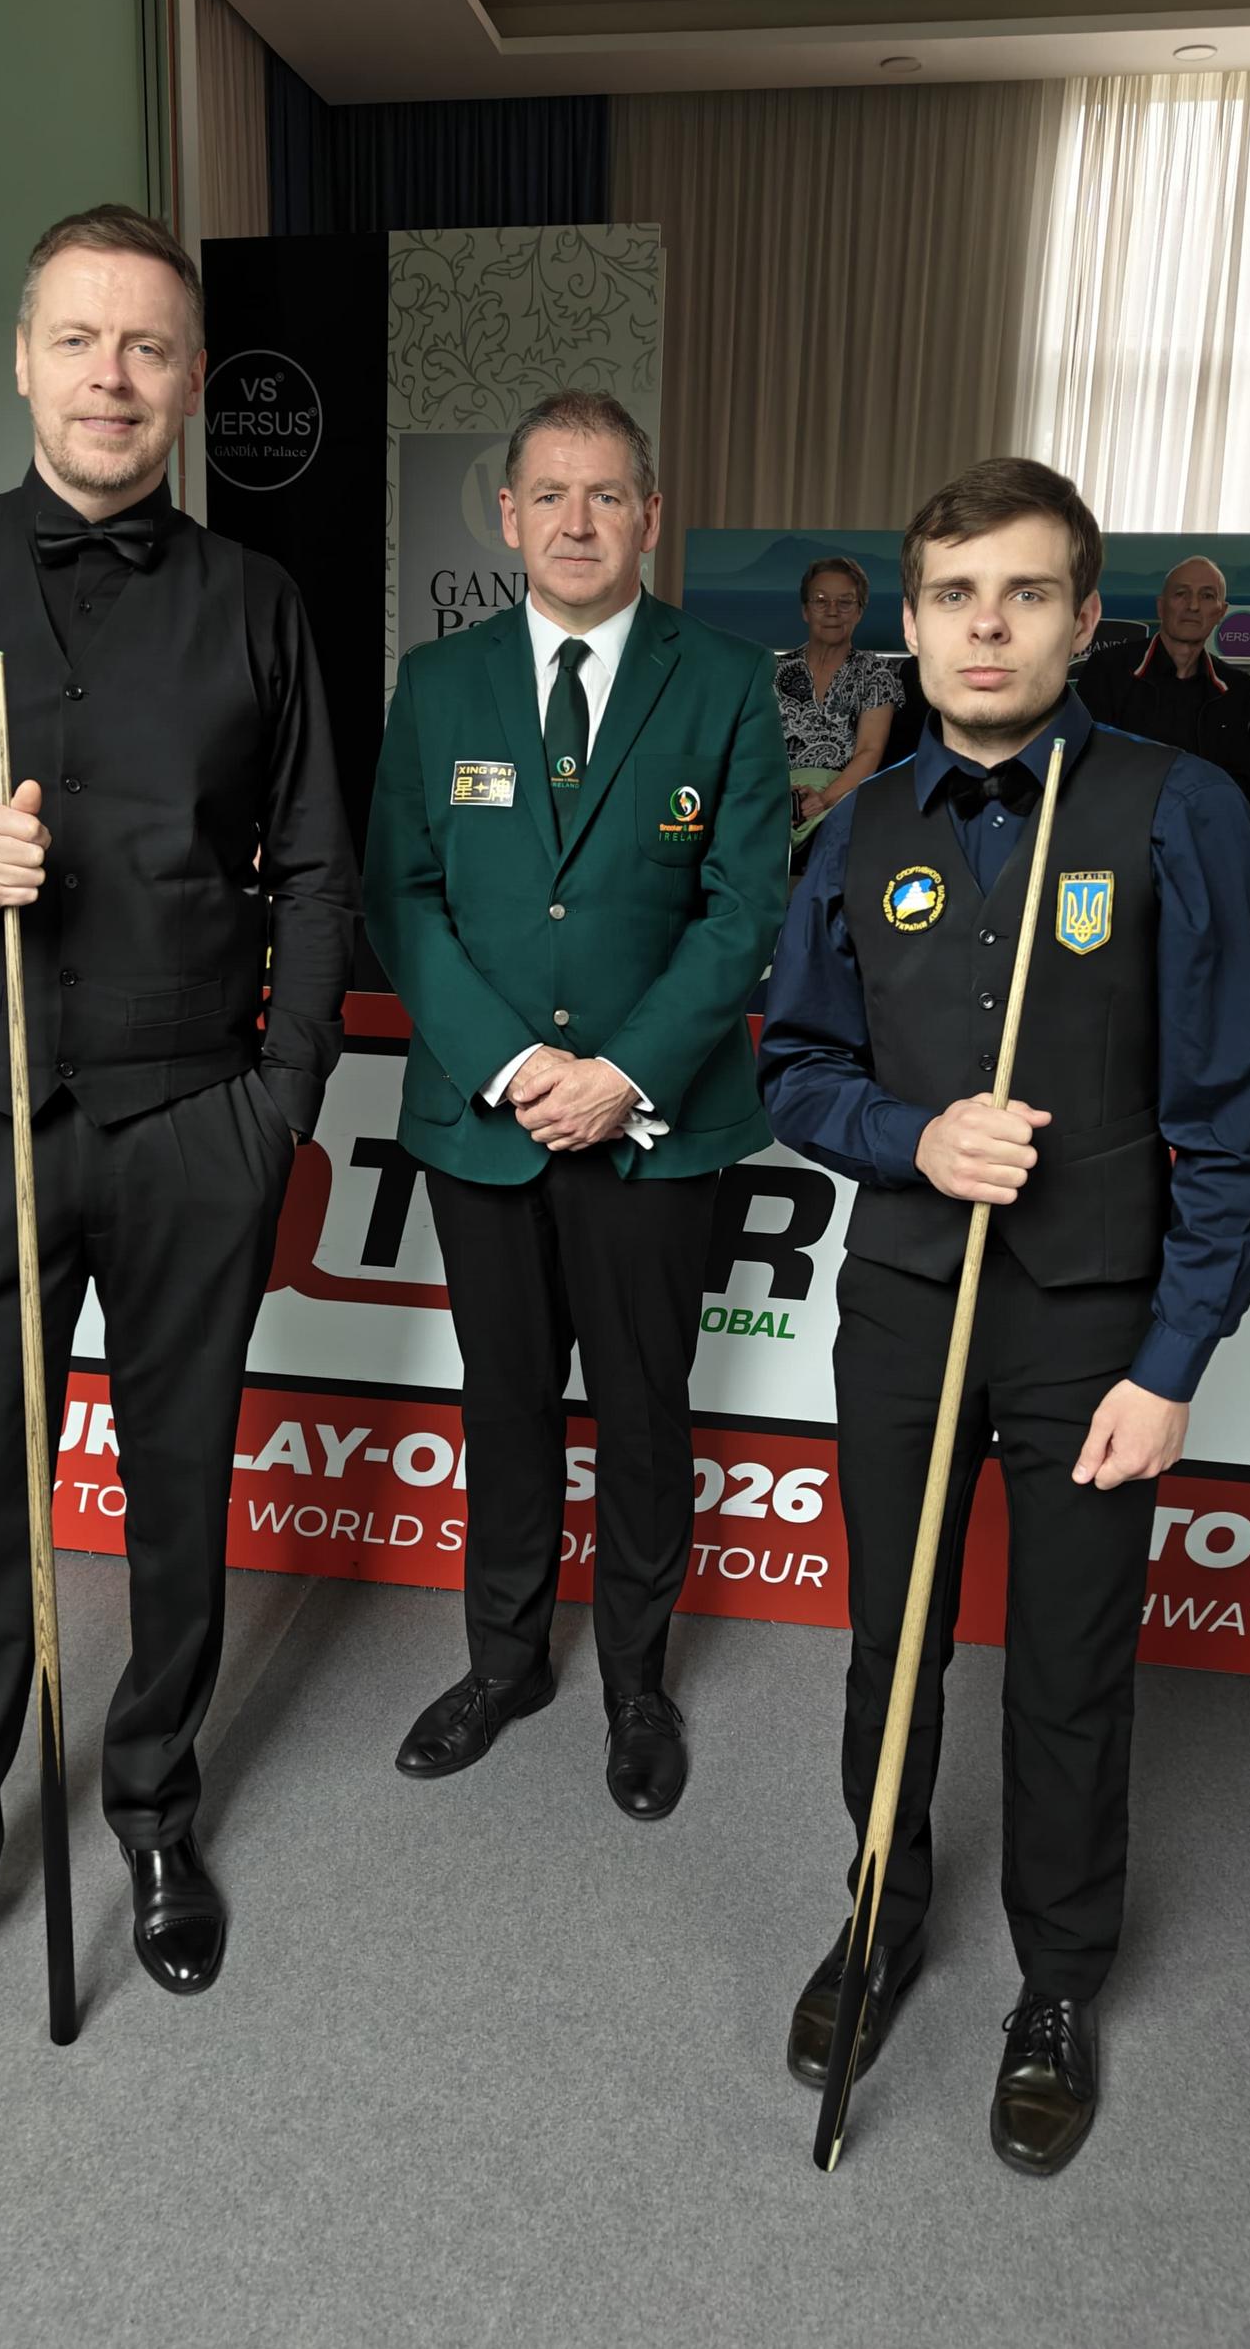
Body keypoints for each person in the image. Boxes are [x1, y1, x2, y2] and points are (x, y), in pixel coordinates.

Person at [0, 204, 358, 2091]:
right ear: (22, 357)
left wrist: (279, 1100)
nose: (111, 377)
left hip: (191, 1121)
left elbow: (319, 868)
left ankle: (153, 1807)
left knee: (174, 1500)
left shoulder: (257, 599)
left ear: (191, 383)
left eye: (147, 347)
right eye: (78, 339)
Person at [757, 457, 1250, 2177]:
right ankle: (878, 1915)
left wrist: (1173, 1361)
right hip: (905, 1301)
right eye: (956, 597)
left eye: (1024, 594)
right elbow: (794, 1073)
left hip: (1092, 1326)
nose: (987, 628)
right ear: (910, 623)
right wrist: (911, 1136)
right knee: (890, 1640)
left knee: (1068, 1662)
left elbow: (1228, 1116)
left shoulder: (1179, 810)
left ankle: (1056, 1980)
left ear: (1081, 619)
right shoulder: (860, 829)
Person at [365, 390, 790, 1820]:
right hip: (481, 1121)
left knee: (643, 1410)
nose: (576, 520)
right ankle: (502, 1663)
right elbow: (400, 896)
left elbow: (743, 909)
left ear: (649, 516)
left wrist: (620, 1075)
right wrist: (510, 1064)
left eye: (606, 494)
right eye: (548, 493)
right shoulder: (436, 683)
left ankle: (633, 1685)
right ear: (507, 516)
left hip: (650, 1128)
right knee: (503, 1403)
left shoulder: (724, 680)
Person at [1079, 557, 1250, 801]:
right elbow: (1086, 766)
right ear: (1161, 607)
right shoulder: (1108, 670)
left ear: (1221, 612)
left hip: (1206, 820)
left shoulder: (1239, 690)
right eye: (1181, 594)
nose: (1193, 605)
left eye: (1207, 596)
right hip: (1125, 817)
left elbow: (1243, 785)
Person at [772, 556, 902, 850]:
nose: (833, 611)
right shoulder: (774, 671)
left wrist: (824, 799)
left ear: (859, 611)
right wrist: (782, 796)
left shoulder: (875, 671)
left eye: (845, 602)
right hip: (776, 793)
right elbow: (756, 749)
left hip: (843, 795)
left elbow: (869, 751)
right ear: (805, 610)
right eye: (821, 601)